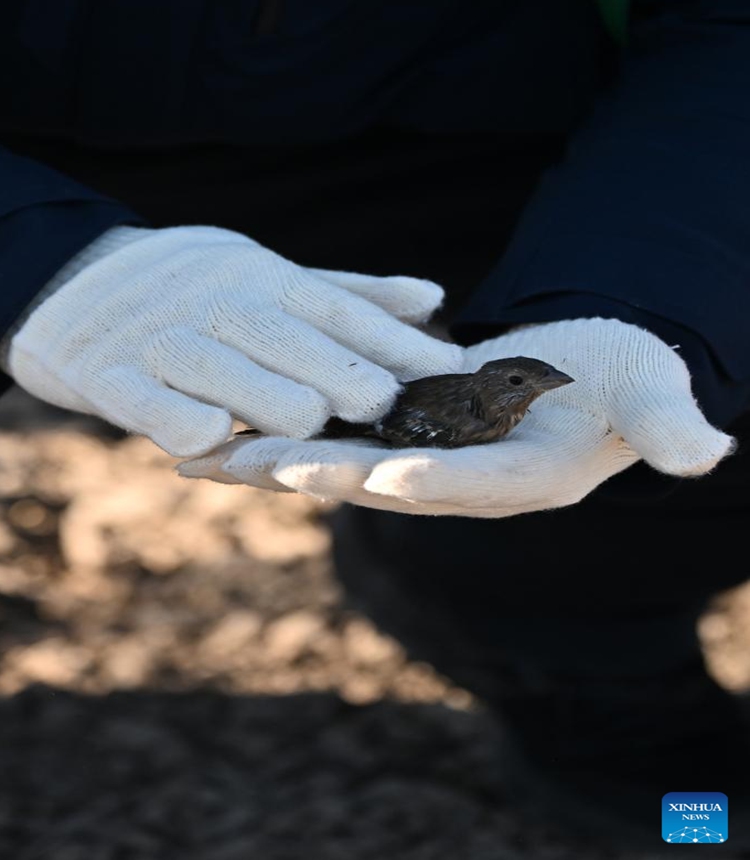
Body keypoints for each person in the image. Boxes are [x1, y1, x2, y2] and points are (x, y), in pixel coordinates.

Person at [2, 0, 749, 849]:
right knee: (489, 543)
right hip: (73, 170)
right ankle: (614, 721)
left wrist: (645, 299)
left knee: (650, 443)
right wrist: (32, 255)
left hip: (564, 147)